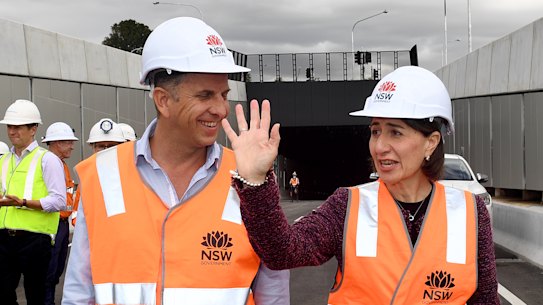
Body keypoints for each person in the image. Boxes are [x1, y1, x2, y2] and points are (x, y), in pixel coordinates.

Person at [222, 66, 499, 304]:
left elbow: (485, 299)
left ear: (431, 142)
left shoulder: (470, 214)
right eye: (375, 131)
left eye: (395, 132)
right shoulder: (347, 206)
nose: (380, 146)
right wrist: (256, 183)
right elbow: (282, 252)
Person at [62, 17, 289, 305]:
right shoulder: (103, 176)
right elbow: (79, 295)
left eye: (223, 95)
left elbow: (274, 293)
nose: (220, 109)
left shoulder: (249, 179)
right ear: (163, 100)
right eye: (205, 95)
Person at [0, 99, 66, 305]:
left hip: (36, 240)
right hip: (3, 238)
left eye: (18, 126)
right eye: (10, 126)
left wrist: (24, 202)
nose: (12, 131)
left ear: (33, 129)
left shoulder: (47, 160)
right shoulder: (3, 161)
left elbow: (59, 201)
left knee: (36, 295)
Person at [42, 122, 79, 305]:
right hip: (52, 224)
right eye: (68, 142)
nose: (72, 146)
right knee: (49, 272)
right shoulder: (48, 163)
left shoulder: (61, 164)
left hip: (61, 225)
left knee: (56, 271)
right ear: (57, 143)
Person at [70, 118, 126, 226]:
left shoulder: (131, 174)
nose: (106, 150)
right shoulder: (86, 177)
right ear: (93, 147)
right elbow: (77, 217)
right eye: (101, 146)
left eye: (111, 146)